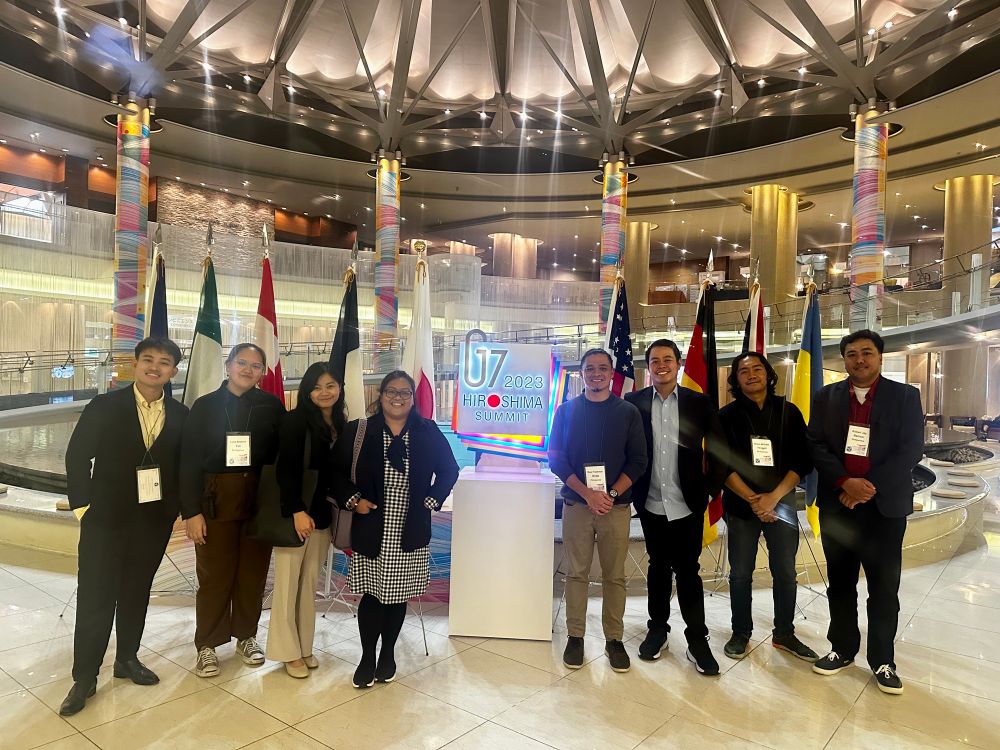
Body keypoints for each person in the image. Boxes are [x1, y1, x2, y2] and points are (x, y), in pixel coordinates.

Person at [60, 337, 189, 716]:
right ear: (135, 364)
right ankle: (84, 677)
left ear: (173, 371)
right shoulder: (106, 405)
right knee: (96, 598)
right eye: (148, 359)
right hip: (104, 521)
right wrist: (83, 508)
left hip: (152, 522)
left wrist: (175, 510)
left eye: (164, 362)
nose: (155, 367)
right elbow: (77, 456)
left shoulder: (181, 415)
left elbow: (184, 466)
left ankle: (127, 659)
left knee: (136, 592)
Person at [807, 329, 923, 694]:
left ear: (879, 357)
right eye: (852, 353)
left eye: (867, 353)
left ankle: (883, 660)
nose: (860, 360)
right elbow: (815, 445)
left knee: (884, 588)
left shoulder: (905, 396)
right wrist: (845, 482)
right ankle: (841, 649)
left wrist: (865, 487)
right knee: (840, 584)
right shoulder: (827, 397)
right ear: (844, 359)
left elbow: (910, 450)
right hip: (838, 506)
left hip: (884, 509)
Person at [329, 371, 459, 688]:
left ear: (413, 398)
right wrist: (353, 500)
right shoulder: (360, 430)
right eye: (391, 391)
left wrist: (432, 499)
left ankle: (387, 654)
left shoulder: (426, 431)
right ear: (381, 395)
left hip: (409, 529)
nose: (397, 397)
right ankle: (367, 657)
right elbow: (333, 472)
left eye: (404, 392)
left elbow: (449, 469)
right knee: (372, 597)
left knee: (397, 597)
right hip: (371, 527)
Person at [181, 343, 285, 677]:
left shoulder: (271, 406)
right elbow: (188, 462)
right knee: (214, 575)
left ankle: (246, 636)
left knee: (253, 575)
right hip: (215, 500)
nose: (249, 370)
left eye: (257, 366)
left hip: (258, 500)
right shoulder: (205, 406)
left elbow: (283, 455)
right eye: (243, 362)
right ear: (228, 365)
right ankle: (207, 646)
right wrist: (191, 512)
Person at [624, 339, 726, 675]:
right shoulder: (634, 402)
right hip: (651, 502)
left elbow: (720, 450)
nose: (661, 365)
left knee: (688, 571)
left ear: (678, 363)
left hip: (687, 504)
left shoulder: (699, 403)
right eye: (655, 360)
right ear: (648, 366)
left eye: (668, 359)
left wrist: (710, 491)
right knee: (657, 567)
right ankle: (658, 630)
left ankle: (697, 639)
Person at [548, 349, 648, 674]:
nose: (596, 374)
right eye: (589, 369)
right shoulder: (565, 411)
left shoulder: (628, 412)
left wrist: (610, 493)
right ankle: (575, 637)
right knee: (576, 573)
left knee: (614, 576)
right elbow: (556, 459)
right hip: (577, 505)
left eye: (602, 368)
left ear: (611, 373)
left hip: (615, 508)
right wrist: (588, 493)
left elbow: (638, 460)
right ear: (582, 374)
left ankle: (613, 640)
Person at [717, 352, 817, 662]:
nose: (750, 374)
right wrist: (753, 499)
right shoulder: (727, 416)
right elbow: (721, 465)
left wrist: (773, 497)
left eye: (756, 368)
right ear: (735, 379)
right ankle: (740, 631)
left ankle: (784, 634)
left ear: (768, 374)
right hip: (740, 504)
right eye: (742, 371)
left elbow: (802, 460)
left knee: (785, 571)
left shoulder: (790, 412)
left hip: (782, 502)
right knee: (740, 573)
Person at [267, 363, 345, 678]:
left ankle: (304, 645)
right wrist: (297, 510)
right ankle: (287, 652)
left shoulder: (340, 423)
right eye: (317, 387)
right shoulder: (295, 421)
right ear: (307, 391)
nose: (324, 392)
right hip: (296, 515)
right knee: (287, 585)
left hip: (323, 516)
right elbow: (284, 470)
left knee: (308, 584)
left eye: (330, 385)